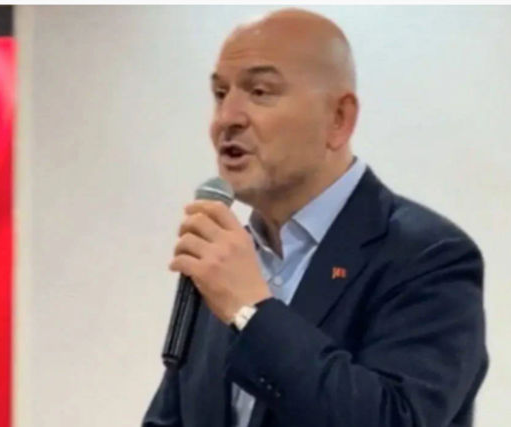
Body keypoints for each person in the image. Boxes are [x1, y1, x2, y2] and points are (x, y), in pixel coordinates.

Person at [143, 8, 488, 427]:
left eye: (259, 92)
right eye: (220, 93)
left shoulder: (429, 256)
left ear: (338, 119)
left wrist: (251, 311)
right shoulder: (223, 261)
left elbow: (395, 419)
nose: (226, 119)